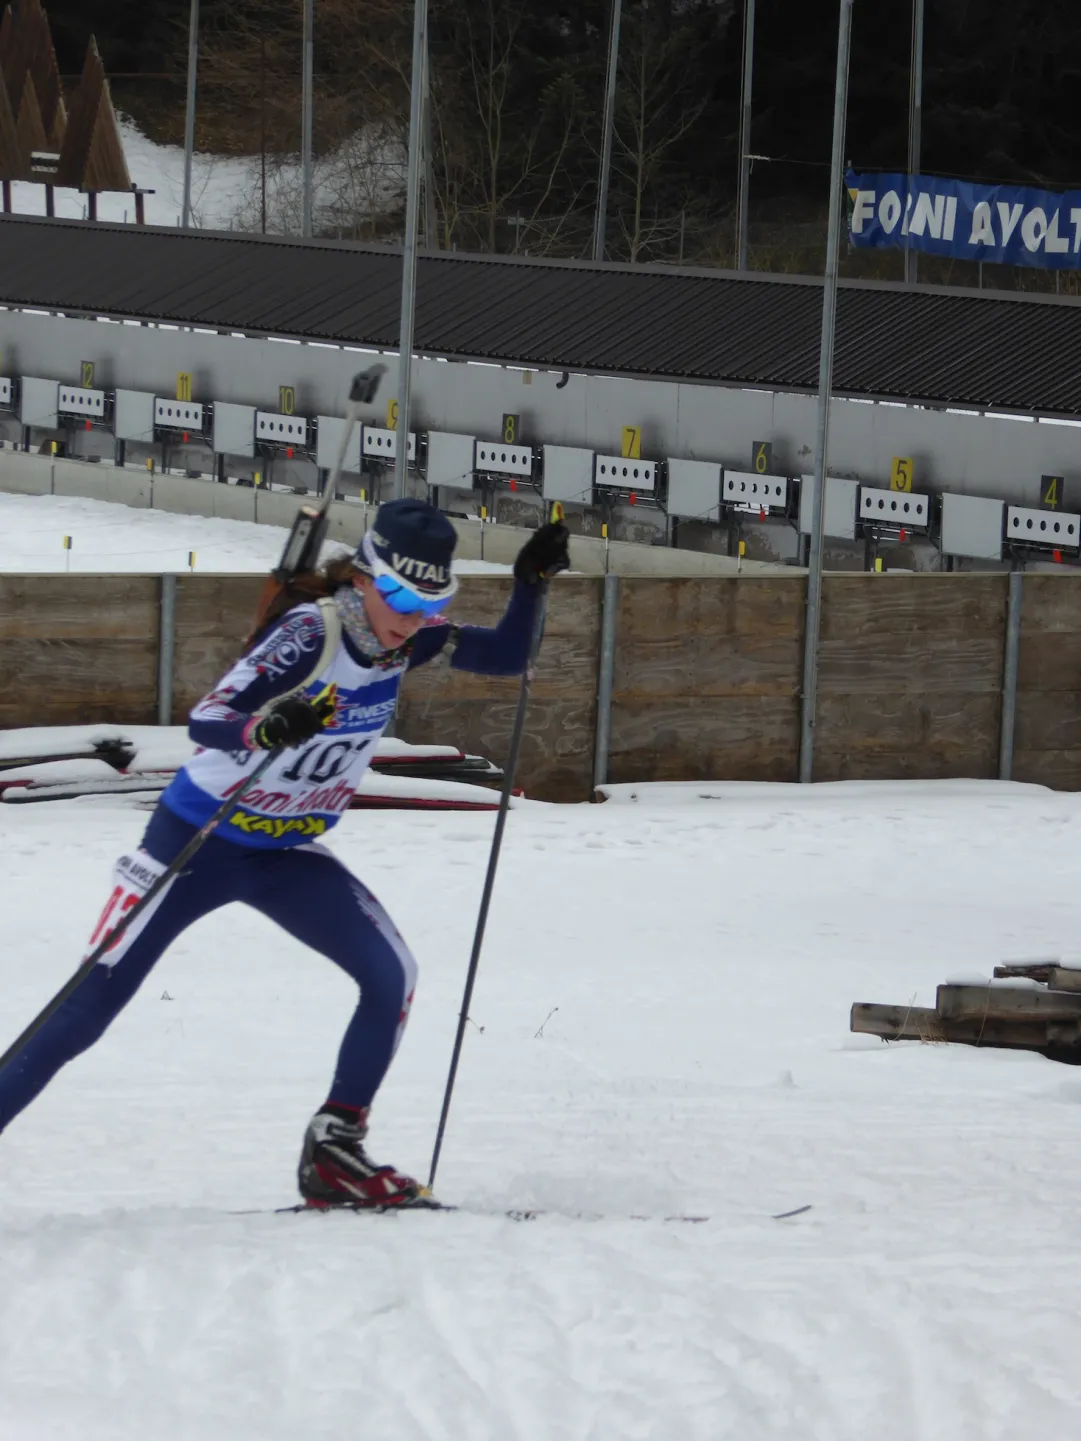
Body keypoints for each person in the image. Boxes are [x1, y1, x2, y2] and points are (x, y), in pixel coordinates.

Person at [0, 500, 570, 1207]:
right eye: (396, 594)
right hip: (195, 843)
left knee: (391, 974)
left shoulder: (408, 641)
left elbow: (509, 655)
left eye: (430, 601)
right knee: (86, 1011)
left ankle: (335, 1152)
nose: (409, 615)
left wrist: (531, 582)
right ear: (364, 577)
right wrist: (267, 726)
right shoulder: (310, 632)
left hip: (283, 854)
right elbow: (208, 719)